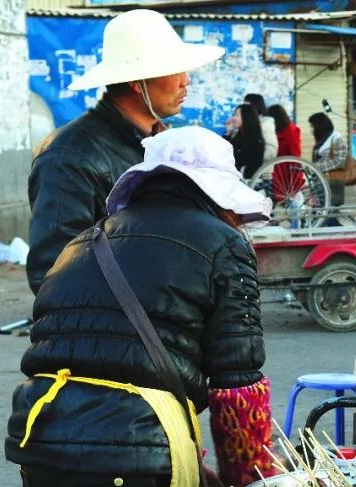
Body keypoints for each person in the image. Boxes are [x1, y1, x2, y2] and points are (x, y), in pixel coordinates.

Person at [5, 127, 272, 487]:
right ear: (214, 193)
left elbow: (85, 359)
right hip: (130, 461)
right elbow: (238, 390)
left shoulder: (85, 241)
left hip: (41, 449)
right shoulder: (224, 243)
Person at [26, 9, 223, 295]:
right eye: (174, 70)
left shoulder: (163, 143)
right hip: (121, 317)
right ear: (136, 81)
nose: (185, 81)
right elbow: (53, 272)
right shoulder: (69, 156)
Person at [309, 112, 349, 210]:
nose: (310, 129)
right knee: (321, 212)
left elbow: (340, 161)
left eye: (312, 126)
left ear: (319, 126)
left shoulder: (336, 139)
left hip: (332, 182)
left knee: (330, 213)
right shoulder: (321, 140)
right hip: (321, 183)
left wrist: (316, 167)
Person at [266, 104, 303, 196]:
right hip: (279, 167)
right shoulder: (278, 130)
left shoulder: (291, 130)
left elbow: (296, 153)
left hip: (287, 170)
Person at [226, 103, 265, 178]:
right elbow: (225, 150)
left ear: (246, 117)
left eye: (237, 115)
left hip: (242, 177)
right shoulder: (240, 134)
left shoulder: (255, 140)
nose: (234, 118)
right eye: (234, 115)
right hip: (232, 172)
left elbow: (251, 168)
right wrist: (229, 132)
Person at [244, 93, 278, 164]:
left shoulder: (266, 124)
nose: (244, 110)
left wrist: (252, 158)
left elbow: (271, 151)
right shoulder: (251, 123)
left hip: (261, 167)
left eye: (247, 107)